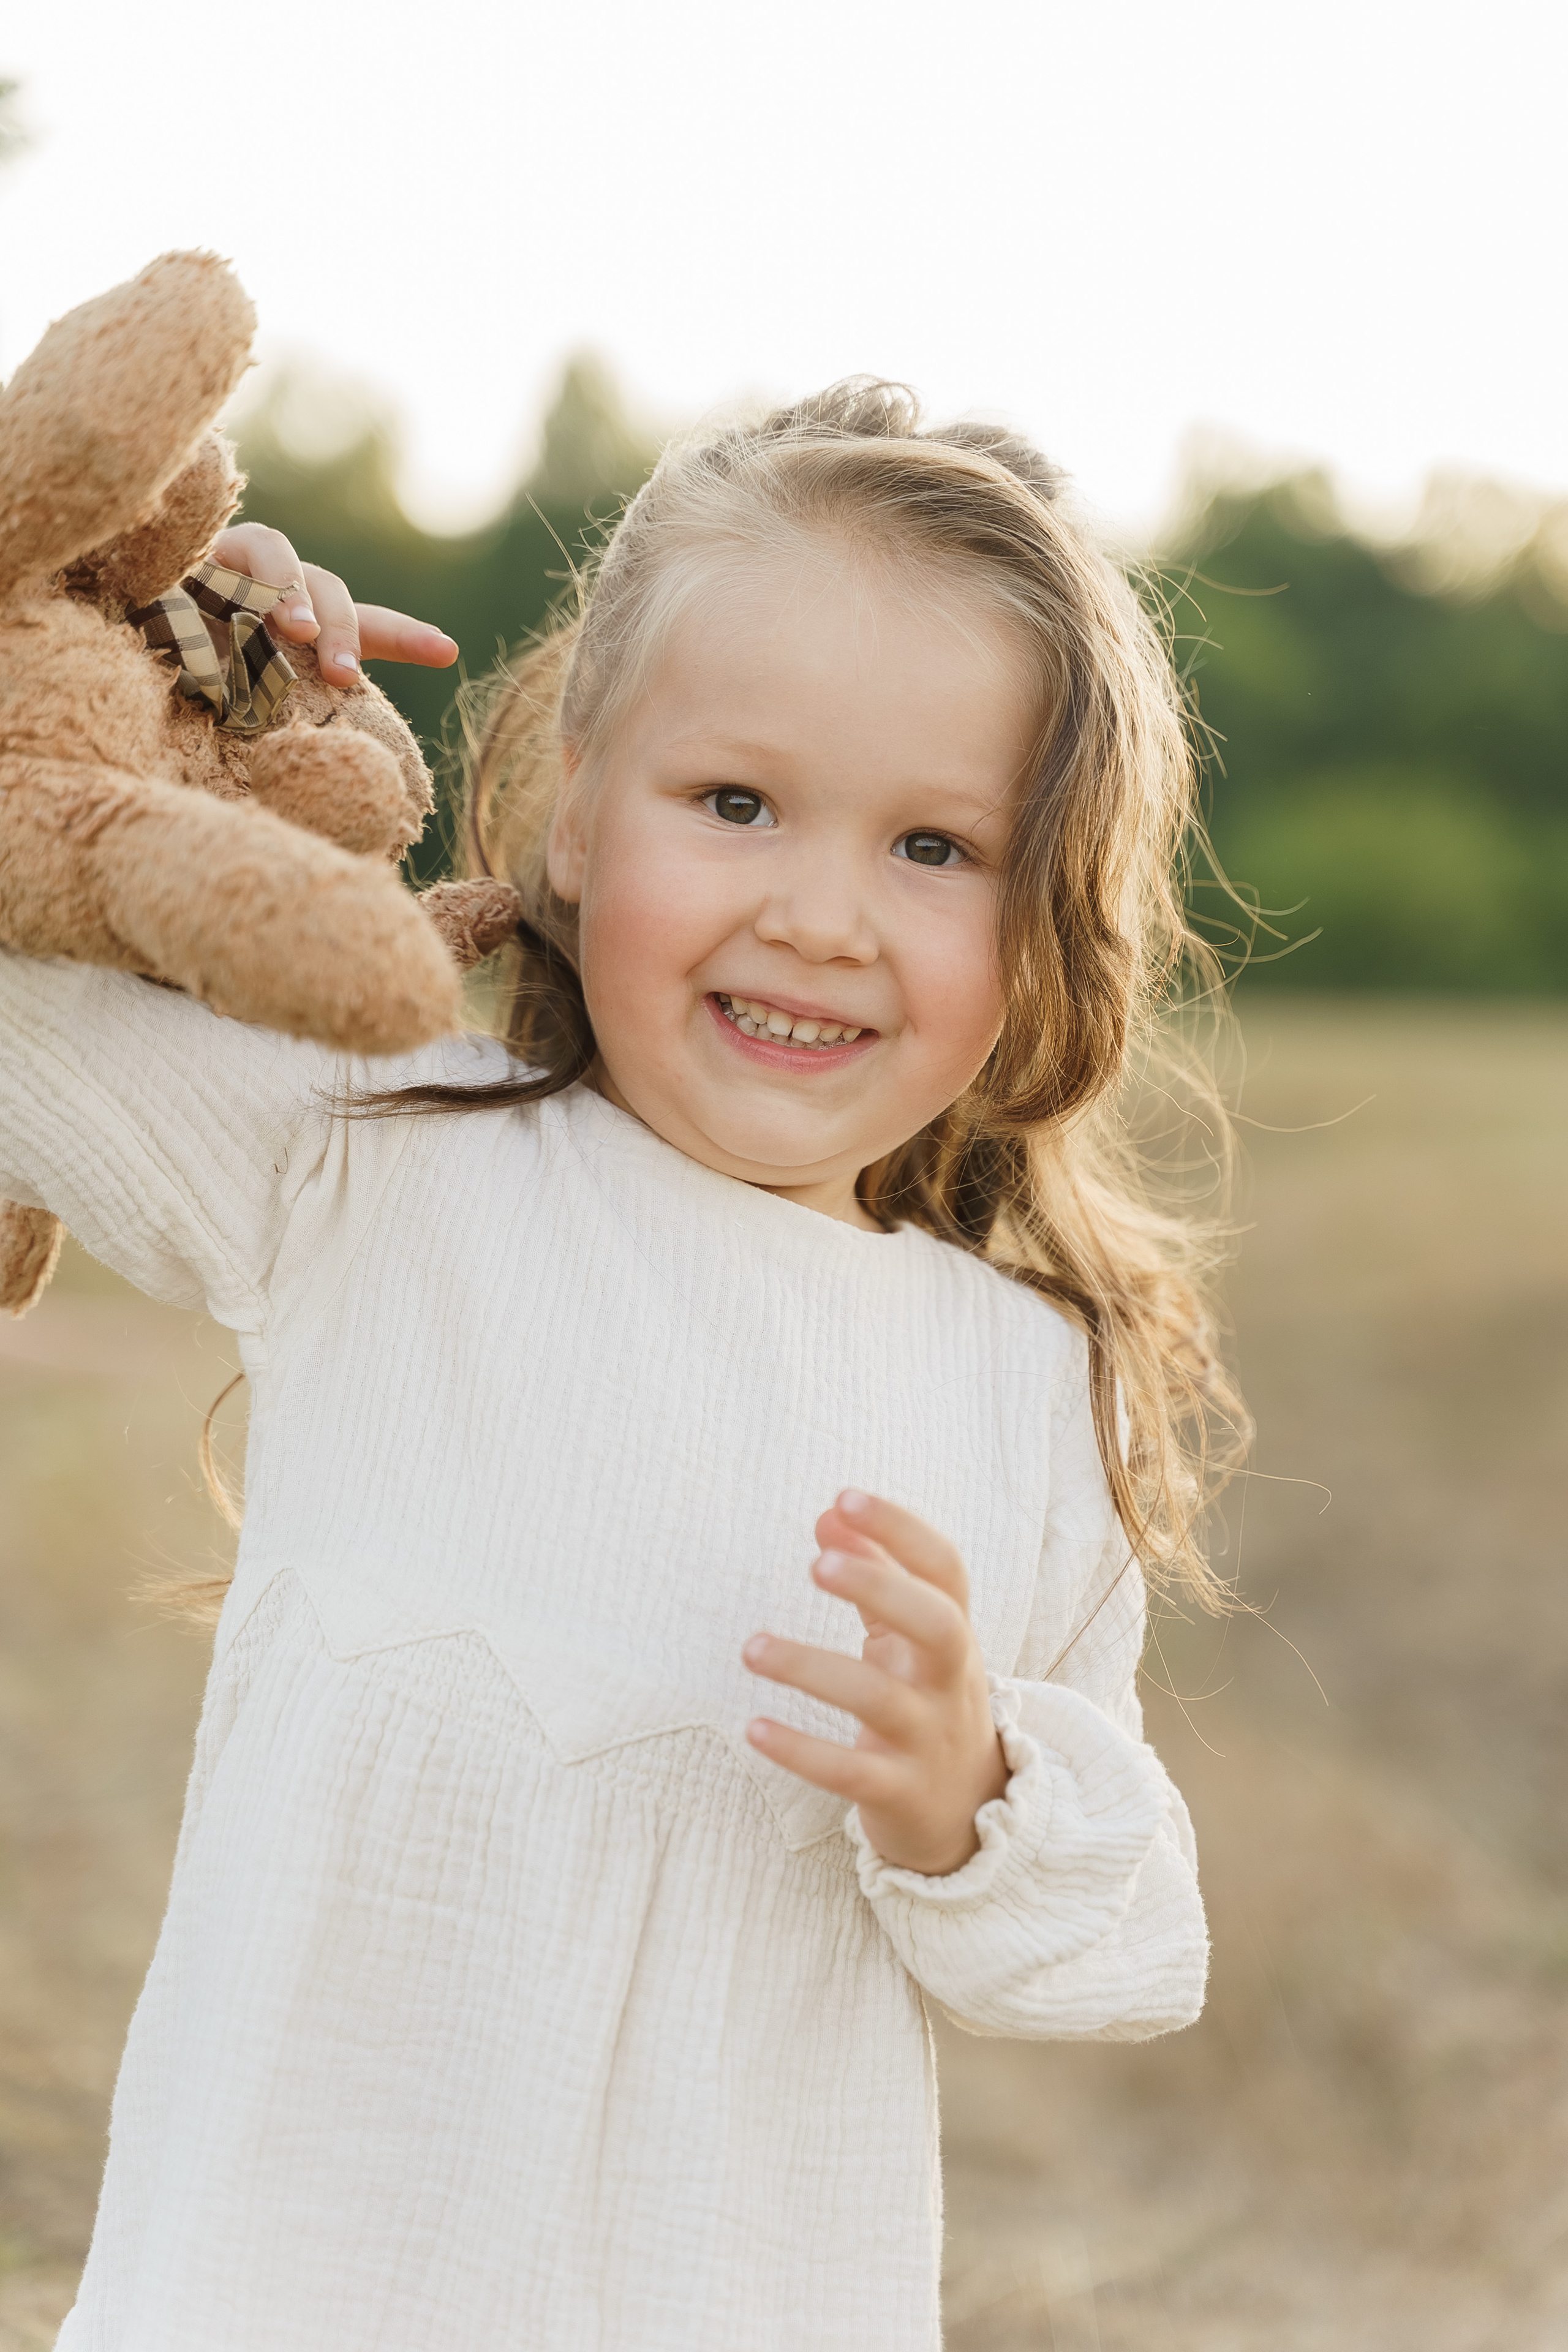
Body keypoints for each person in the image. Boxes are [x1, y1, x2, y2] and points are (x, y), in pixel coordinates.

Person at [1, 382, 1238, 2351]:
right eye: (734, 804)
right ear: (578, 804)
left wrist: (969, 1796)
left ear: (1047, 915)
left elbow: (1114, 1958)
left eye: (936, 844)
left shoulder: (1027, 1386)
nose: (818, 912)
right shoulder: (378, 1154)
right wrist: (157, 672)